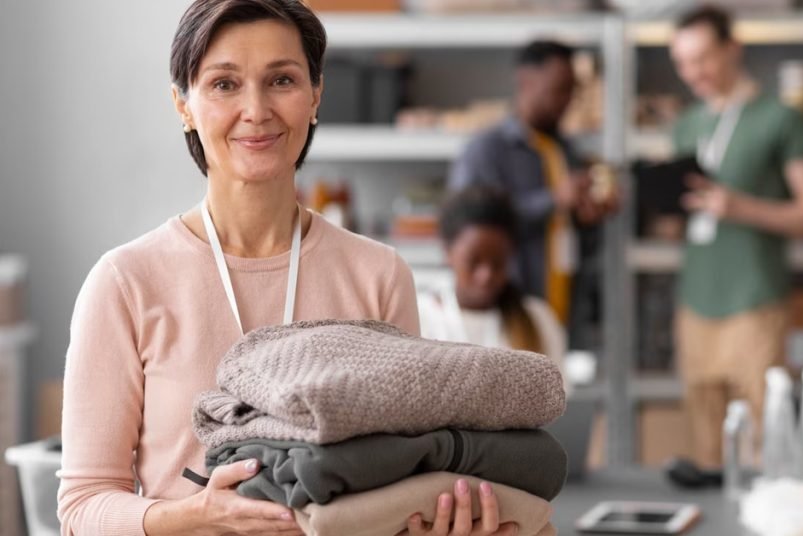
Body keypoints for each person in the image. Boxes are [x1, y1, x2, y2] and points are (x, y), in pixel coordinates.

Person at [56, 1, 515, 534]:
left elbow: (398, 478)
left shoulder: (378, 276)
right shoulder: (125, 284)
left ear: (315, 95)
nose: (256, 109)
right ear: (183, 104)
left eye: (281, 80)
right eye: (225, 84)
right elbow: (82, 507)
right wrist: (192, 516)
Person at [668, 5, 803, 470]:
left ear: (732, 49)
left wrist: (737, 207)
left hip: (755, 301)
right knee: (706, 447)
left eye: (703, 58)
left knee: (766, 443)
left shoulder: (779, 118)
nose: (693, 73)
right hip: (695, 300)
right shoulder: (686, 126)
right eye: (682, 63)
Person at [448, 40, 618, 331]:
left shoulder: (565, 150)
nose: (566, 100)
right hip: (505, 317)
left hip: (560, 310)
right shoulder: (487, 150)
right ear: (526, 81)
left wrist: (590, 216)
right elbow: (467, 228)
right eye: (559, 89)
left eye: (572, 91)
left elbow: (569, 233)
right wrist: (554, 199)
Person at [418, 185, 569, 395]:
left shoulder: (538, 319)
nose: (486, 275)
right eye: (474, 261)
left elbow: (558, 404)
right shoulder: (420, 319)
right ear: (447, 252)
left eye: (498, 262)